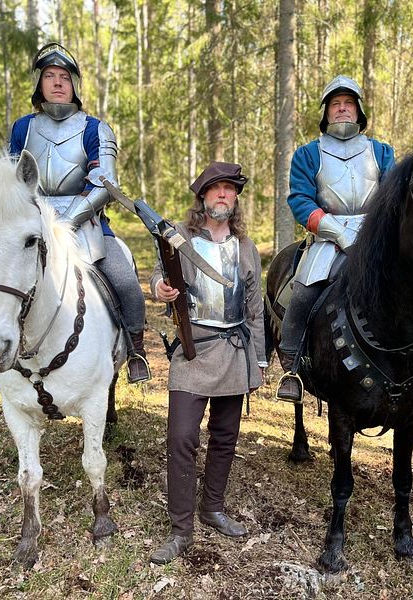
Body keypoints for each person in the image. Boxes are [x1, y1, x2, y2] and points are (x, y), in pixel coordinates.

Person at [0, 42, 149, 394]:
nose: (57, 82)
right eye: (49, 76)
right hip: (30, 223)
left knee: (125, 282)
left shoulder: (96, 128)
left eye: (64, 76)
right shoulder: (23, 128)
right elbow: (12, 180)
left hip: (86, 225)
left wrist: (67, 220)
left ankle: (136, 350)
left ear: (75, 85)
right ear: (40, 84)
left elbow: (104, 183)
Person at [276, 75, 413, 403]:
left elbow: (394, 196)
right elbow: (300, 200)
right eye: (335, 105)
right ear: (326, 113)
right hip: (326, 238)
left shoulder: (380, 151)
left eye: (348, 104)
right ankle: (292, 367)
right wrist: (335, 231)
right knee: (304, 292)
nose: (342, 109)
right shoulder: (307, 154)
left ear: (359, 110)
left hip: (376, 239)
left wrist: (372, 233)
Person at [148, 162, 267, 565]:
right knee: (181, 437)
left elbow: (253, 310)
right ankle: (181, 529)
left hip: (234, 349)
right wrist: (158, 288)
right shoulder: (180, 238)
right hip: (193, 349)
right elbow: (158, 275)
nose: (222, 195)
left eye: (229, 190)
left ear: (235, 199)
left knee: (225, 437)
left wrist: (260, 361)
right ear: (202, 197)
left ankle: (212, 508)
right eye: (214, 189)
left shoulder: (246, 248)